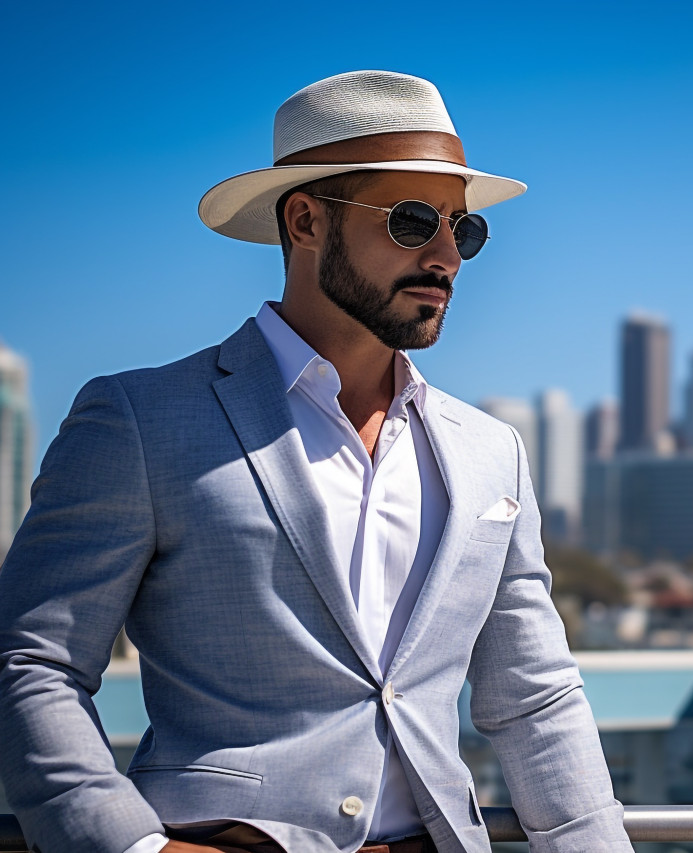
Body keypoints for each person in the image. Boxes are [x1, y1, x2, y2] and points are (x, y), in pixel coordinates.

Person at [0, 70, 634, 853]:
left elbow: (533, 698)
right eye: (412, 221)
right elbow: (32, 662)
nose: (448, 255)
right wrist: (131, 848)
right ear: (305, 220)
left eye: (463, 230)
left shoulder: (489, 451)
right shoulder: (139, 419)